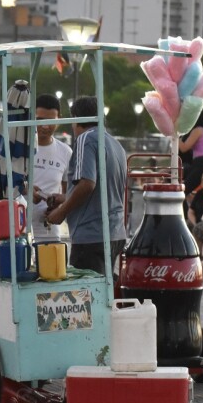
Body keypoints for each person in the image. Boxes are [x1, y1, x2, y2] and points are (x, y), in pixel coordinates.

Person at [45, 96, 127, 274]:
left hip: (91, 235)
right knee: (105, 294)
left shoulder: (85, 139)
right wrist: (64, 198)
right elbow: (102, 190)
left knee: (86, 297)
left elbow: (88, 184)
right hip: (115, 234)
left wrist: (60, 212)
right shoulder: (116, 145)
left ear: (76, 119)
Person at [30, 94, 72, 242]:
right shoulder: (19, 148)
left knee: (50, 265)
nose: (45, 126)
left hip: (48, 228)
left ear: (59, 119)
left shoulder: (66, 152)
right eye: (40, 120)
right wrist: (26, 189)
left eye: (50, 121)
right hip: (19, 225)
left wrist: (59, 207)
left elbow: (70, 193)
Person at [178, 113, 203, 199]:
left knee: (181, 191)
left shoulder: (198, 130)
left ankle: (182, 212)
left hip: (202, 164)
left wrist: (174, 136)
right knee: (182, 190)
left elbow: (184, 148)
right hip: (201, 163)